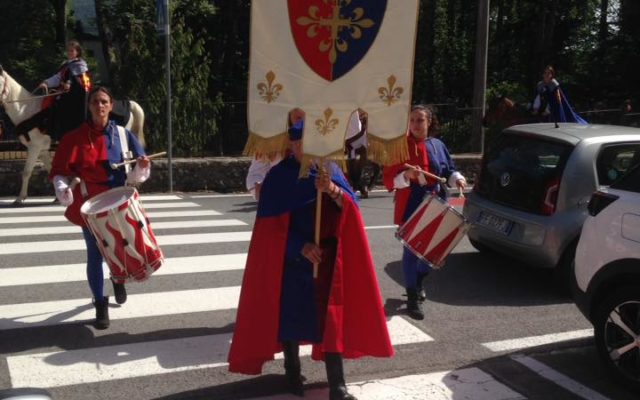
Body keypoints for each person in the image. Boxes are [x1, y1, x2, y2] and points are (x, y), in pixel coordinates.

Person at [229, 121, 393, 400]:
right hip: (293, 262)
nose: (305, 146)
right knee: (291, 317)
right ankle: (292, 368)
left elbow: (349, 210)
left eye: (310, 140)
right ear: (291, 145)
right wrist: (299, 246)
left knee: (331, 320)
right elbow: (269, 230)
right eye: (299, 141)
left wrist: (332, 189)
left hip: (328, 260)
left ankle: (337, 384)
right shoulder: (278, 177)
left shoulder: (330, 170)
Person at [48, 86, 150, 330]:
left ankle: (118, 279)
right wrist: (63, 188)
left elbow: (138, 172)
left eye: (104, 101)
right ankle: (100, 303)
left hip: (120, 202)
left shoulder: (125, 136)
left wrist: (141, 166)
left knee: (119, 246)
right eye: (95, 101)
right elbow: (59, 172)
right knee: (95, 254)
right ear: (90, 106)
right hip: (90, 205)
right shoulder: (74, 138)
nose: (100, 105)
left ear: (111, 105)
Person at [383, 105, 466, 321]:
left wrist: (457, 178)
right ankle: (412, 297)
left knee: (432, 255)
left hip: (436, 201)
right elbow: (389, 180)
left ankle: (418, 281)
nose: (415, 124)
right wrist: (406, 176)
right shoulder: (400, 147)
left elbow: (448, 170)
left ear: (429, 122)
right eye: (412, 120)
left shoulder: (438, 145)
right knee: (411, 251)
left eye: (420, 120)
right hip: (411, 202)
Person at [16, 40, 92, 140]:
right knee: (49, 103)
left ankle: (59, 134)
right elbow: (57, 77)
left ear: (77, 52)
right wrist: (46, 83)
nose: (69, 53)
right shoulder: (66, 65)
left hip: (76, 98)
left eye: (72, 51)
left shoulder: (80, 66)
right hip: (65, 94)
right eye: (68, 51)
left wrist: (70, 85)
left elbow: (83, 83)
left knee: (55, 106)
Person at [245, 108, 304, 200]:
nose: (299, 110)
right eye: (295, 106)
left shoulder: (325, 138)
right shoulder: (270, 138)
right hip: (280, 202)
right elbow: (254, 175)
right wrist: (262, 189)